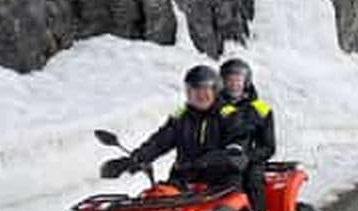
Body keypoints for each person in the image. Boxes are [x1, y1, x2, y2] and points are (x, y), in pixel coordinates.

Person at [100, 65, 248, 186]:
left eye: (204, 89)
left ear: (215, 90)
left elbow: (238, 146)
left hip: (221, 185)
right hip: (185, 182)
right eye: (193, 90)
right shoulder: (181, 117)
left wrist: (210, 160)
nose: (199, 95)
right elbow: (159, 142)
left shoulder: (230, 115)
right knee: (155, 204)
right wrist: (135, 160)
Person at [219, 58, 275, 211]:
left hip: (250, 160)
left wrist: (248, 157)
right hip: (221, 160)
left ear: (246, 81)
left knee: (252, 183)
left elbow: (268, 146)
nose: (234, 84)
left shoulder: (261, 110)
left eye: (238, 79)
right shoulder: (214, 109)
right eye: (229, 79)